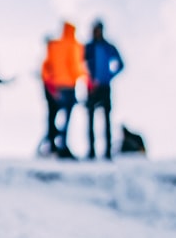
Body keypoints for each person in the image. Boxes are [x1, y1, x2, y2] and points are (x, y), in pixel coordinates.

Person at [40, 22, 86, 158]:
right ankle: (62, 145)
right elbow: (75, 66)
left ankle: (52, 144)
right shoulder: (74, 45)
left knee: (53, 115)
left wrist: (50, 82)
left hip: (56, 86)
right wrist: (84, 77)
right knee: (66, 117)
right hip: (69, 86)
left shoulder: (54, 45)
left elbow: (46, 67)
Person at [84, 20, 124, 160]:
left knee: (106, 119)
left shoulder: (108, 47)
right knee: (90, 119)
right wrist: (88, 78)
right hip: (91, 87)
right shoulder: (88, 47)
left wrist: (109, 76)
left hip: (105, 87)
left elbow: (121, 64)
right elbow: (79, 64)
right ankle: (91, 151)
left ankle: (107, 152)